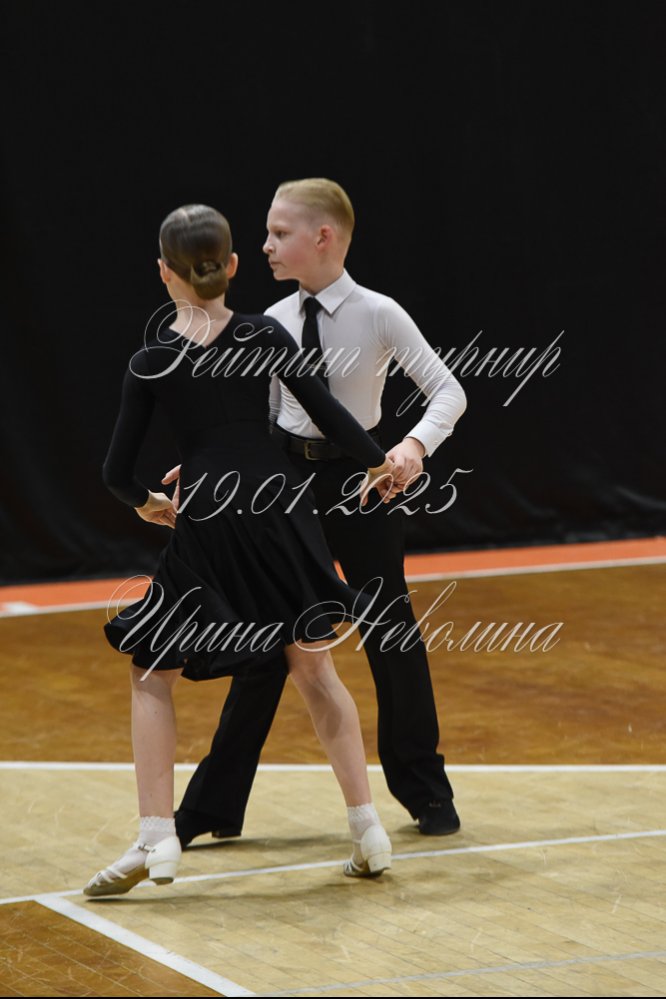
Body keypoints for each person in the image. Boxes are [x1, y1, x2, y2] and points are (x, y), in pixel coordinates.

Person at [83, 203, 396, 897]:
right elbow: (331, 416)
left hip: (212, 515)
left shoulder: (152, 359)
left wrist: (149, 503)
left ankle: (157, 836)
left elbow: (115, 473)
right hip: (282, 508)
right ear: (230, 265)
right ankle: (368, 829)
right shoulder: (265, 333)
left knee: (152, 671)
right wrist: (382, 463)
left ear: (163, 272)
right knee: (314, 667)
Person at [170, 179, 467, 849]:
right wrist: (209, 462)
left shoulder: (379, 313)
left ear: (323, 237)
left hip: (361, 480)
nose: (265, 245)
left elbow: (447, 390)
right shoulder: (271, 320)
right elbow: (251, 415)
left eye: (279, 233)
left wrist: (414, 446)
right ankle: (213, 804)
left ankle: (425, 787)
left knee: (390, 629)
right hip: (284, 477)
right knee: (267, 639)